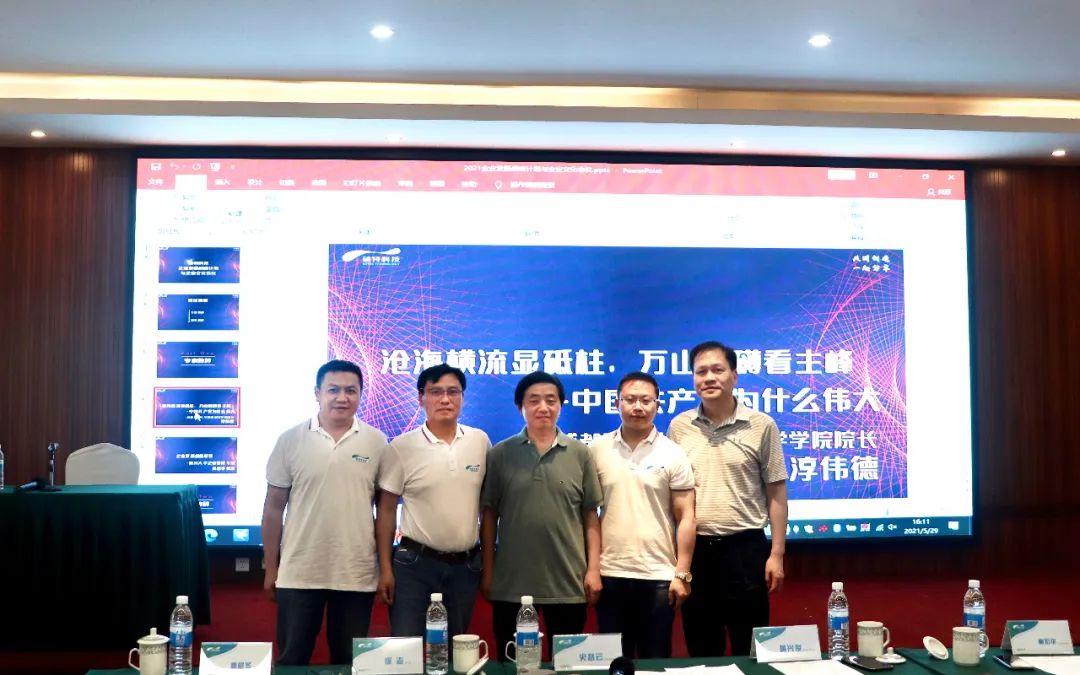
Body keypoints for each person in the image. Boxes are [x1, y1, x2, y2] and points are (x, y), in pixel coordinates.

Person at [667, 341, 788, 657]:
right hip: (697, 553)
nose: (709, 377)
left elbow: (776, 492)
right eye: (701, 372)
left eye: (717, 370)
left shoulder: (761, 425)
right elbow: (672, 495)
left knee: (751, 649)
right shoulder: (679, 427)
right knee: (702, 648)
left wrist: (776, 553)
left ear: (734, 375)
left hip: (745, 550)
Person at [262, 359, 387, 665]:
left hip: (355, 572)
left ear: (361, 394)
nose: (342, 397)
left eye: (351, 390)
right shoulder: (290, 440)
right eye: (333, 390)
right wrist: (271, 567)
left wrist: (385, 568)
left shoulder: (377, 442)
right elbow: (273, 508)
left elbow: (384, 510)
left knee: (350, 662)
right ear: (317, 393)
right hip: (299, 571)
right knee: (292, 659)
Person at [480, 371, 604, 660]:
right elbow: (489, 518)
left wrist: (593, 570)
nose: (543, 407)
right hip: (511, 585)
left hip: (568, 582)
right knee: (514, 663)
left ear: (561, 405)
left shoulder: (580, 453)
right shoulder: (500, 454)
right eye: (533, 400)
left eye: (551, 400)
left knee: (567, 664)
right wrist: (488, 571)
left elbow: (590, 516)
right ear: (520, 407)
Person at [375, 363, 491, 640]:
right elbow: (386, 510)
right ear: (421, 398)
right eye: (436, 392)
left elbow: (487, 509)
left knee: (455, 649)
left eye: (453, 392)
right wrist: (385, 569)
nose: (445, 399)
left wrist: (488, 565)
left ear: (462, 397)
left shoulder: (480, 442)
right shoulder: (401, 447)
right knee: (408, 645)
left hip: (465, 566)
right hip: (414, 565)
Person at [591, 371, 696, 658]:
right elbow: (588, 516)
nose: (638, 407)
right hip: (610, 574)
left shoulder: (673, 453)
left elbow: (686, 517)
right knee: (613, 663)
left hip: (659, 577)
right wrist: (592, 569)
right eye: (630, 400)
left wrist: (682, 573)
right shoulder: (597, 450)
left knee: (656, 660)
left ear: (657, 405)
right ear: (617, 403)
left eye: (646, 400)